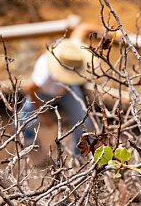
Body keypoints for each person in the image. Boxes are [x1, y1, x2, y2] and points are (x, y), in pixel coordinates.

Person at [18, 29, 96, 158]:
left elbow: (83, 28)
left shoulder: (72, 52)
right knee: (24, 120)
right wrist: (43, 114)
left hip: (68, 89)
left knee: (82, 119)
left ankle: (80, 154)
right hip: (42, 94)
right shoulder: (44, 74)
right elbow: (30, 89)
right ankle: (27, 140)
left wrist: (110, 34)